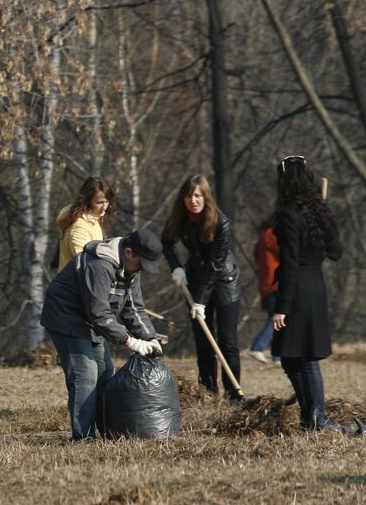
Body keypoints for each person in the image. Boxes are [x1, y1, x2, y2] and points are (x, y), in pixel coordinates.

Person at [40, 228, 166, 440]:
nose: (142, 269)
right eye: (141, 263)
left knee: (106, 374)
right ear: (128, 252)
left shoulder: (131, 271)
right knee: (86, 375)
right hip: (67, 317)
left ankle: (109, 431)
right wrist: (130, 341)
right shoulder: (99, 265)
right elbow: (99, 313)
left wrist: (149, 337)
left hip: (93, 321)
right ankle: (84, 437)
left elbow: (134, 308)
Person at [271, 156, 344, 432]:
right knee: (291, 358)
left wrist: (283, 306)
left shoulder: (292, 215)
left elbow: (290, 261)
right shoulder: (317, 211)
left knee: (303, 357)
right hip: (313, 286)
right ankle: (309, 417)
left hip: (300, 289)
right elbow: (336, 252)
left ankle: (318, 418)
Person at [162, 175, 243, 396]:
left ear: (205, 197)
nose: (193, 200)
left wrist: (200, 302)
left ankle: (234, 395)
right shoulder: (179, 218)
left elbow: (216, 264)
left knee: (227, 342)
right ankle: (208, 392)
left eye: (197, 195)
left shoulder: (221, 222)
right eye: (188, 195)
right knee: (203, 343)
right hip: (196, 280)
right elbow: (166, 243)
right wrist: (176, 267)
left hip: (225, 281)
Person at [55, 177, 116, 269]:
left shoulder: (92, 220)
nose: (104, 207)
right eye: (99, 203)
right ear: (87, 201)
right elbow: (85, 265)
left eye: (107, 202)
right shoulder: (79, 227)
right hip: (76, 282)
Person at [248, 218, 280, 364]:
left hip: (266, 284)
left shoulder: (260, 241)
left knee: (275, 319)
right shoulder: (272, 235)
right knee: (278, 317)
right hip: (276, 283)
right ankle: (258, 346)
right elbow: (285, 251)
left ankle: (277, 355)